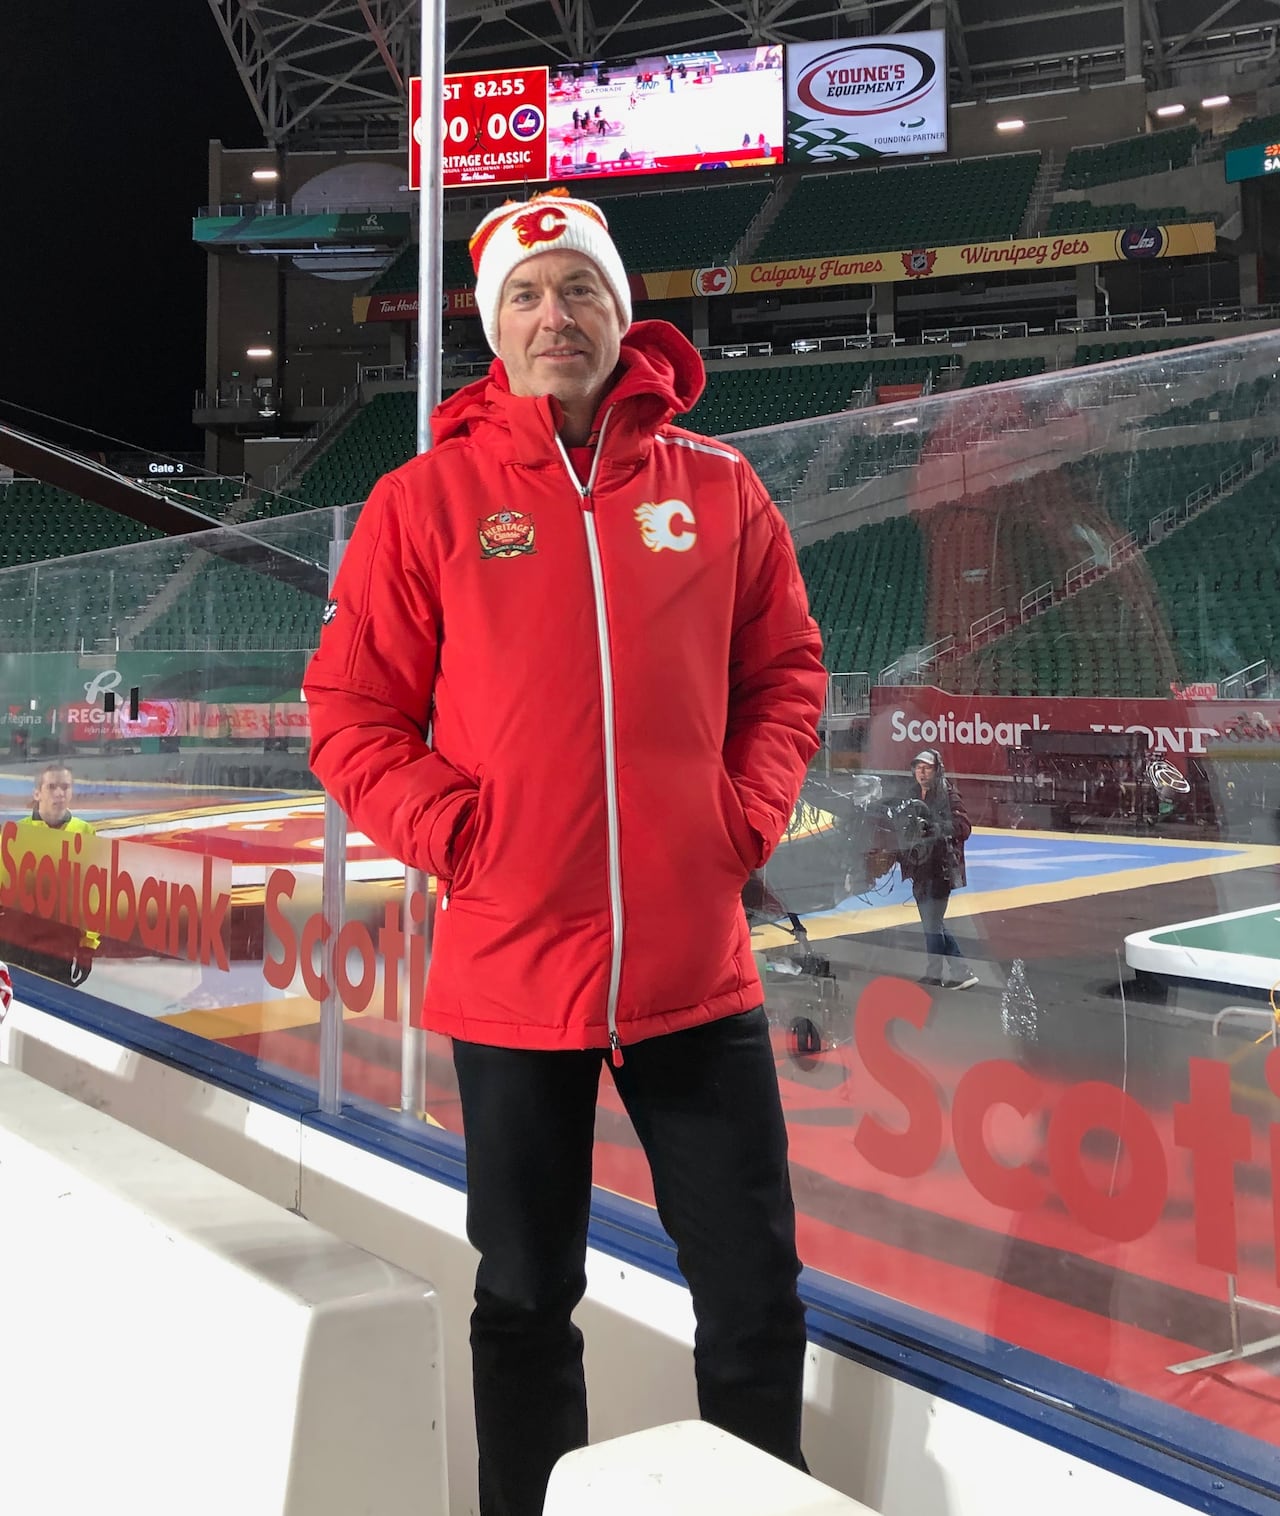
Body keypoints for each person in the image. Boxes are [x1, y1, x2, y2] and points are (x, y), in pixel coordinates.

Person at [303, 188, 826, 1516]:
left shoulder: (719, 488)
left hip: (693, 968)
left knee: (754, 1296)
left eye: (580, 287)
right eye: (527, 295)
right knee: (527, 1296)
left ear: (619, 311)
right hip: (511, 964)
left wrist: (740, 819)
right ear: (496, 328)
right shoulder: (425, 500)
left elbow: (786, 673)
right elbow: (351, 715)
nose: (555, 316)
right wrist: (461, 834)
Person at [0, 763, 100, 986]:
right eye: (52, 787)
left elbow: (93, 896)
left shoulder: (85, 833)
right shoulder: (15, 833)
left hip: (58, 947)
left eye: (65, 787)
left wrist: (88, 946)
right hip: (13, 943)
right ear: (37, 793)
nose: (59, 793)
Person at [897, 748, 978, 989]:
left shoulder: (948, 794)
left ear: (937, 770)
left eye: (927, 768)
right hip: (919, 868)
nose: (922, 773)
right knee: (932, 923)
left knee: (932, 924)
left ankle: (940, 973)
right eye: (918, 768)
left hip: (940, 868)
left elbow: (963, 827)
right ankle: (960, 971)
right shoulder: (911, 794)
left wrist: (936, 828)